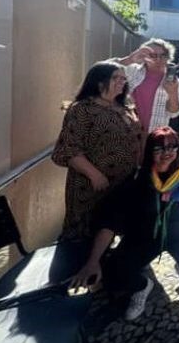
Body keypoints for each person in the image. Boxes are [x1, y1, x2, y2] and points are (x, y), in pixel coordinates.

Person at [68, 127, 179, 321]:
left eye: (172, 147)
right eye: (158, 148)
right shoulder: (138, 180)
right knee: (112, 274)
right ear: (149, 151)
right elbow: (111, 221)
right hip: (145, 237)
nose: (167, 153)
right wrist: (93, 261)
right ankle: (143, 286)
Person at [52, 61, 142, 241]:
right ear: (100, 81)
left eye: (123, 79)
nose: (121, 82)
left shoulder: (124, 107)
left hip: (121, 183)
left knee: (109, 229)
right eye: (115, 78)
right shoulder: (83, 109)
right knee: (84, 234)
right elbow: (68, 148)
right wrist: (95, 175)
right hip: (91, 186)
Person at [114, 38, 179, 134]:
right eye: (153, 55)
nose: (158, 59)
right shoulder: (131, 70)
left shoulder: (175, 82)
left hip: (155, 136)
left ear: (168, 57)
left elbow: (173, 113)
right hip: (126, 131)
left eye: (163, 55)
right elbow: (103, 70)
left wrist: (172, 93)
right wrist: (129, 59)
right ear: (144, 56)